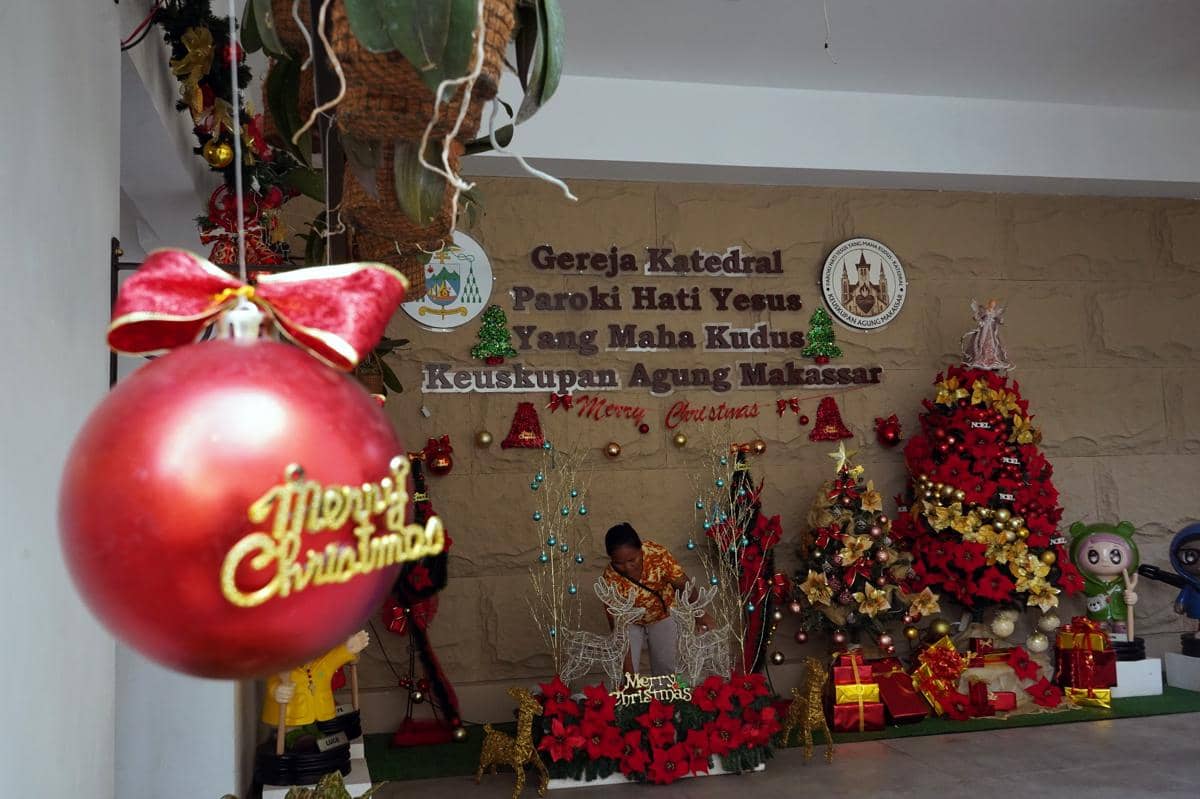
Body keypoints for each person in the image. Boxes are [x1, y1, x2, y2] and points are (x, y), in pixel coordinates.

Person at [602, 523, 717, 676]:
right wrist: (629, 678)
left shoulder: (656, 555)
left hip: (663, 615)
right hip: (629, 622)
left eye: (632, 560)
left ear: (640, 550)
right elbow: (619, 633)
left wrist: (700, 613)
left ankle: (666, 699)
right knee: (626, 674)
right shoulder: (610, 580)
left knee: (667, 670)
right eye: (619, 563)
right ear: (611, 559)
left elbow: (683, 585)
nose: (628, 568)